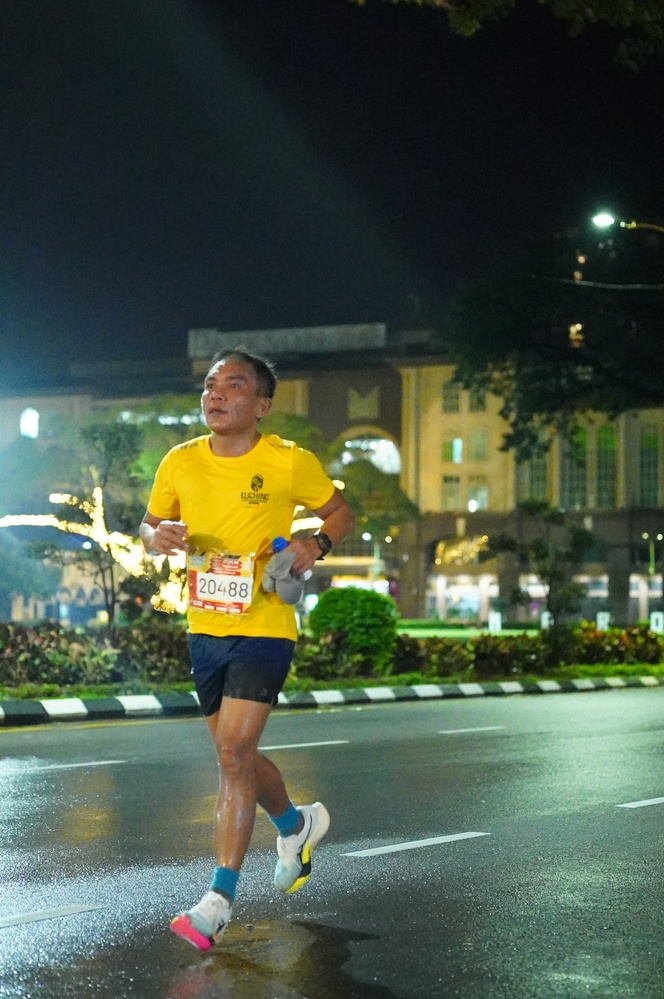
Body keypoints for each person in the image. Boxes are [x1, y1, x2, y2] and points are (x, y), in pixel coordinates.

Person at [139, 348, 355, 951]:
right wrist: (158, 534)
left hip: (265, 624)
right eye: (211, 385)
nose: (216, 394)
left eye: (233, 385)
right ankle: (296, 824)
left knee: (233, 753)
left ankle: (217, 900)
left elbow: (340, 513)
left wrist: (315, 544)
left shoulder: (288, 461)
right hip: (204, 627)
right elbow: (148, 526)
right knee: (235, 756)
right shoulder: (180, 461)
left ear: (261, 405)